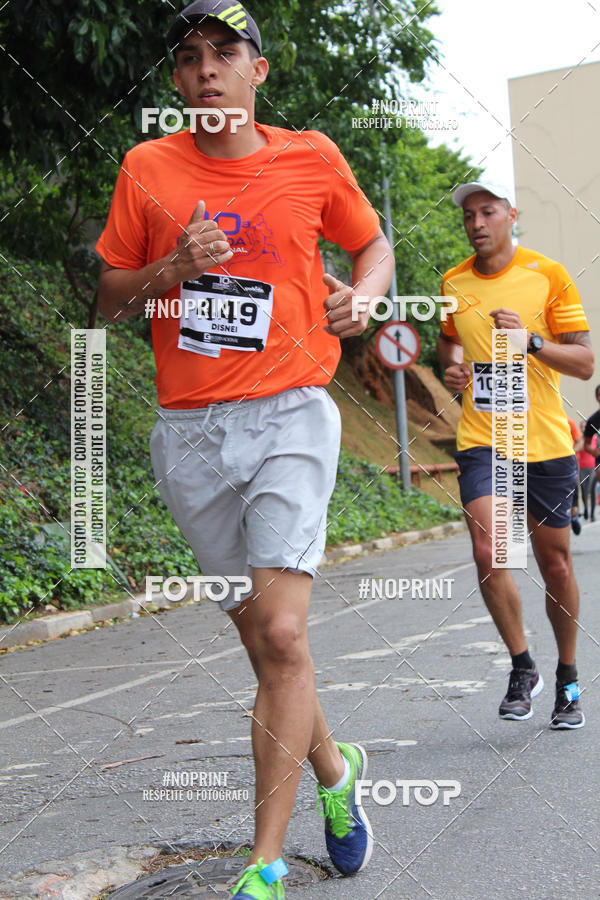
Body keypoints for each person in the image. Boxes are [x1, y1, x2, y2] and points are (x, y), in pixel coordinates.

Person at [95, 2, 394, 897]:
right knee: (270, 649)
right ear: (178, 80)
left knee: (284, 631)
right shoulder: (147, 168)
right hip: (190, 432)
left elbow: (372, 245)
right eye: (190, 57)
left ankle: (263, 862)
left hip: (291, 413)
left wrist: (366, 297)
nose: (207, 69)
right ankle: (336, 774)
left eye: (225, 52)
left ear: (257, 70)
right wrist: (173, 270)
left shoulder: (311, 157)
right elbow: (108, 300)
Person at [437, 180, 593, 730]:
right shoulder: (453, 282)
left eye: (488, 212)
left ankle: (568, 677)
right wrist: (452, 368)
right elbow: (448, 340)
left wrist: (532, 341)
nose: (477, 223)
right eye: (469, 215)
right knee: (490, 551)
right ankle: (523, 666)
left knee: (555, 564)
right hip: (485, 439)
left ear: (511, 215)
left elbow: (584, 363)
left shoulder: (548, 275)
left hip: (545, 442)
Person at [583, 385, 600, 520]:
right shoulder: (593, 420)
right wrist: (594, 451)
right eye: (599, 394)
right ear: (597, 398)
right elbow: (586, 445)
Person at [578, 417, 597, 522]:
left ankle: (592, 514)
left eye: (585, 427)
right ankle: (586, 509)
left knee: (592, 491)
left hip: (593, 468)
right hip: (582, 469)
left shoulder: (594, 438)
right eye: (582, 427)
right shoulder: (579, 440)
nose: (583, 429)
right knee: (584, 492)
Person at [567, 417, 583, 535]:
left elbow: (579, 441)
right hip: (550, 463)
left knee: (573, 489)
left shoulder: (569, 422)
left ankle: (574, 516)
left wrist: (572, 452)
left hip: (569, 462)